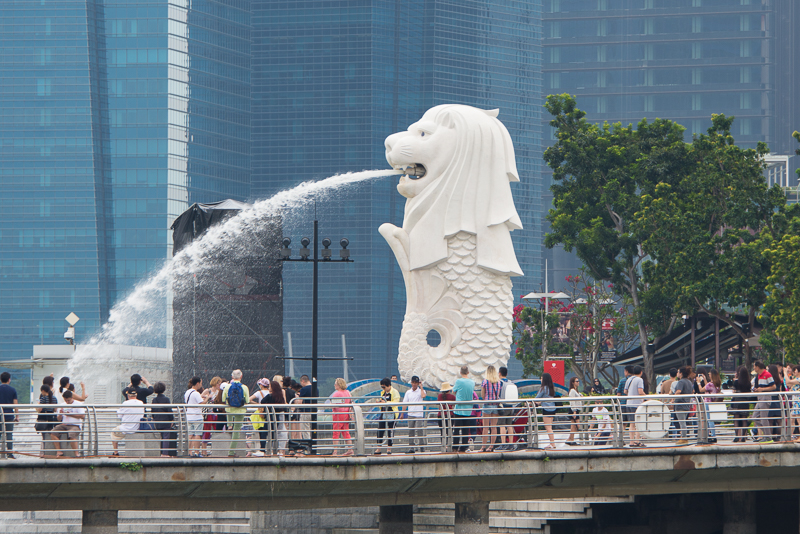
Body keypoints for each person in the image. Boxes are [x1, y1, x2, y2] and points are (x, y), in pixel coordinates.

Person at [222, 369, 250, 458]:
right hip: (240, 410)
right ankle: (231, 451)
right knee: (236, 431)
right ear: (241, 376)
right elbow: (247, 400)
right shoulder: (244, 387)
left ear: (232, 377)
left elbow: (223, 399)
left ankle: (229, 425)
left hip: (229, 410)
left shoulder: (227, 387)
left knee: (230, 426)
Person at [111, 388, 145, 457]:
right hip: (137, 428)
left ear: (128, 396)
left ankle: (115, 452)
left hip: (125, 429)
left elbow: (119, 416)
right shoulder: (141, 403)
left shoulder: (125, 403)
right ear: (136, 395)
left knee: (113, 433)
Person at [51, 390, 85, 457]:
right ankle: (59, 451)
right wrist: (60, 414)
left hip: (75, 425)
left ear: (72, 397)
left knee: (71, 434)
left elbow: (82, 416)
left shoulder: (78, 404)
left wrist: (70, 415)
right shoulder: (62, 405)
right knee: (53, 432)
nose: (67, 402)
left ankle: (76, 453)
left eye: (68, 400)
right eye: (65, 400)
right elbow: (59, 419)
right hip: (64, 424)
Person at [261, 380, 289, 455]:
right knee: (274, 433)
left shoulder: (270, 396)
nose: (269, 388)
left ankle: (263, 450)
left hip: (269, 416)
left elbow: (262, 401)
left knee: (264, 432)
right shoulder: (280, 396)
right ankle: (274, 450)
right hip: (277, 417)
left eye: (270, 386)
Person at [451, 366, 475, 453]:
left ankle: (455, 447)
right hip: (468, 409)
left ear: (460, 372)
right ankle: (464, 447)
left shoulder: (458, 381)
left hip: (459, 409)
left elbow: (453, 391)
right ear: (468, 372)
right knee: (465, 429)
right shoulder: (472, 382)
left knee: (456, 429)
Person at [374, 377, 400, 455]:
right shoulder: (382, 393)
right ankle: (379, 448)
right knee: (380, 430)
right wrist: (379, 403)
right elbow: (382, 403)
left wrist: (386, 402)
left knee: (390, 431)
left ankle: (389, 448)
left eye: (384, 387)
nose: (383, 388)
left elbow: (396, 402)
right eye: (382, 387)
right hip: (383, 413)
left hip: (391, 413)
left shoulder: (395, 392)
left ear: (389, 385)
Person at [480, 365, 503, 452]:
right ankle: (491, 447)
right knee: (494, 427)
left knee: (485, 427)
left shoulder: (485, 381)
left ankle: (483, 447)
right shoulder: (499, 382)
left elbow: (482, 395)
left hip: (487, 405)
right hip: (495, 405)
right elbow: (499, 394)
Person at [752, 360, 776, 443]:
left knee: (763, 418)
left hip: (765, 398)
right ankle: (767, 435)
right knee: (754, 417)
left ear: (758, 367)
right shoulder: (758, 375)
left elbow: (773, 386)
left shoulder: (767, 374)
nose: (754, 368)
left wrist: (763, 389)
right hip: (760, 397)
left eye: (754, 366)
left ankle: (768, 437)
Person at [151, 382, 177, 457]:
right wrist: (171, 420)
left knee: (161, 436)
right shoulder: (166, 399)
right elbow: (169, 411)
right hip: (165, 421)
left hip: (157, 421)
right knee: (166, 437)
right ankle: (164, 453)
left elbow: (153, 411)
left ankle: (160, 452)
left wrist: (155, 419)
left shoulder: (154, 400)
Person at [498, 366, 520, 450]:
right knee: (509, 425)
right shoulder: (511, 382)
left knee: (502, 425)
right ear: (506, 374)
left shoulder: (500, 383)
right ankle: (511, 444)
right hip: (511, 406)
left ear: (499, 373)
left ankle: (503, 444)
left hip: (502, 407)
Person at [402, 375, 426, 453]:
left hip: (419, 414)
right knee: (411, 431)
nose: (414, 384)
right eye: (413, 382)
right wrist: (402, 414)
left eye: (416, 383)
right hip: (411, 414)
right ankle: (411, 447)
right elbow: (405, 403)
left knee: (419, 430)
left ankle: (422, 447)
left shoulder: (421, 391)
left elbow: (423, 396)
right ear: (411, 383)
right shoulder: (408, 392)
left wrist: (421, 387)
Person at [330, 378, 353, 456]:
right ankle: (350, 449)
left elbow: (332, 404)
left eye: (335, 384)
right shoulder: (348, 393)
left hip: (338, 414)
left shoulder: (337, 394)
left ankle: (335, 451)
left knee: (336, 432)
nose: (334, 385)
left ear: (339, 385)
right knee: (346, 432)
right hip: (346, 414)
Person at [624, 365, 646, 447]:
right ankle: (637, 441)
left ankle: (631, 442)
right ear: (641, 372)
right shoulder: (640, 380)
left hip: (629, 403)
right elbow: (640, 391)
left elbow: (625, 391)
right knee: (638, 424)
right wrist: (647, 397)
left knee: (632, 424)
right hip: (637, 404)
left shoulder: (629, 379)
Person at [672, 367, 694, 444]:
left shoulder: (681, 382)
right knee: (684, 422)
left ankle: (683, 438)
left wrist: (673, 398)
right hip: (686, 404)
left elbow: (678, 391)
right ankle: (683, 437)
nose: (677, 373)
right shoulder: (689, 382)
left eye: (678, 372)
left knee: (682, 423)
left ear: (681, 373)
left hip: (680, 404)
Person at [35, 384, 58, 457]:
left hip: (44, 418)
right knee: (49, 434)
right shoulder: (54, 398)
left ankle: (44, 452)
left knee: (44, 436)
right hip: (51, 418)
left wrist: (38, 404)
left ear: (43, 391)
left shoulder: (43, 398)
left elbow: (40, 409)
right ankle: (49, 451)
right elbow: (55, 409)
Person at [732, 365, 753, 443]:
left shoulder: (736, 382)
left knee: (736, 419)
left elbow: (733, 392)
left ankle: (737, 436)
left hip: (737, 402)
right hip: (745, 402)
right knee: (744, 419)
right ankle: (744, 437)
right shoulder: (748, 382)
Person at [535, 373, 557, 448]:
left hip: (546, 409)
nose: (540, 380)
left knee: (548, 427)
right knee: (550, 426)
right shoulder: (551, 388)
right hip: (553, 409)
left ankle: (552, 443)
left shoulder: (543, 388)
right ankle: (552, 443)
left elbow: (537, 398)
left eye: (541, 378)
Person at [184, 377, 205, 457]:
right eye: (201, 383)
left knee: (190, 434)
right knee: (197, 434)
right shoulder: (196, 393)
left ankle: (189, 453)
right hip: (197, 417)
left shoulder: (187, 392)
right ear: (197, 383)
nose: (201, 385)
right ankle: (196, 452)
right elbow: (201, 403)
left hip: (189, 416)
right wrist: (207, 398)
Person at [0, 372, 19, 459]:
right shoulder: (13, 390)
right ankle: (9, 452)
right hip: (9, 415)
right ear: (9, 380)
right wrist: (17, 416)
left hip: (0, 414)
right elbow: (16, 404)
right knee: (9, 434)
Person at [702, 368, 722, 443]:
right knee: (710, 419)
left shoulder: (710, 384)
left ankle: (713, 435)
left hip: (707, 402)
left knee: (709, 419)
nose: (709, 374)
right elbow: (707, 387)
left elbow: (702, 389)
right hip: (713, 402)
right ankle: (709, 435)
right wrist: (704, 379)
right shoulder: (716, 384)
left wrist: (698, 382)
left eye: (710, 373)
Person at [784, 365, 800, 441]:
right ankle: (790, 436)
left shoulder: (799, 379)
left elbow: (788, 382)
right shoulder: (796, 379)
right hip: (795, 401)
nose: (794, 372)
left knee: (798, 419)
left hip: (798, 401)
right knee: (792, 419)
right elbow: (788, 384)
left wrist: (785, 373)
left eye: (795, 370)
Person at [566, 376, 582, 446]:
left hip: (576, 409)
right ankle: (570, 439)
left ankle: (570, 439)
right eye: (576, 381)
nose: (578, 382)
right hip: (574, 409)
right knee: (576, 425)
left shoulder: (575, 391)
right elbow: (572, 401)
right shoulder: (572, 391)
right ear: (573, 383)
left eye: (578, 381)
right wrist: (574, 411)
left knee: (574, 425)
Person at [297, 375, 313, 442]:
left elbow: (300, 402)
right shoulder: (315, 388)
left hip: (305, 412)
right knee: (312, 430)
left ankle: (308, 446)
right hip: (313, 411)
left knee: (305, 431)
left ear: (303, 381)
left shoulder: (304, 389)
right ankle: (313, 446)